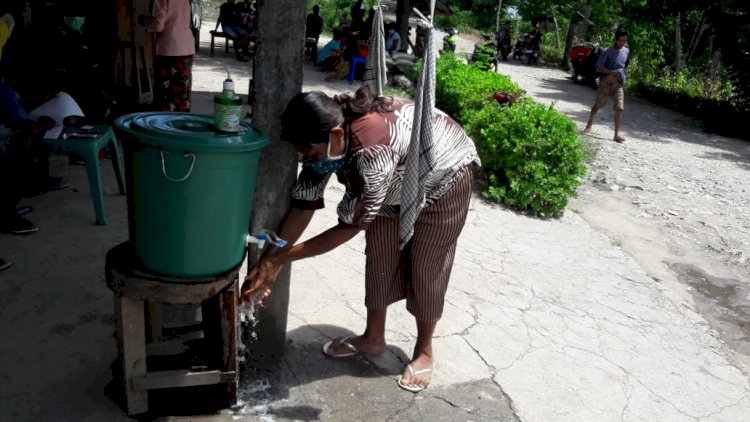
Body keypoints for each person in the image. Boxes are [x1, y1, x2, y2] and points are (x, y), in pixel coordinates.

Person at [241, 86, 481, 393]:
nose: (310, 161)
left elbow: (349, 227)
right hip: (397, 179)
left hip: (443, 178)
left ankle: (424, 350)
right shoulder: (328, 134)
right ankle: (373, 338)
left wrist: (280, 259)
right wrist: (268, 262)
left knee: (426, 266)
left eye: (311, 153)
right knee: (380, 257)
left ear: (337, 136)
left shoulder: (371, 153)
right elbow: (302, 207)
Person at [145, 0, 196, 112]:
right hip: (187, 47)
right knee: (182, 93)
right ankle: (180, 124)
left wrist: (145, 23)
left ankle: (163, 126)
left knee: (164, 95)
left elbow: (158, 25)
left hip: (169, 49)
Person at [584, 29, 629, 143]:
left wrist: (622, 74)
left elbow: (624, 65)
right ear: (615, 40)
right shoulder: (607, 51)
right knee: (599, 104)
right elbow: (598, 67)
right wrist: (612, 72)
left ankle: (616, 134)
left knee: (620, 107)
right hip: (606, 81)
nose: (622, 43)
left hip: (618, 84)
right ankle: (589, 123)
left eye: (624, 41)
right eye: (620, 40)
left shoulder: (626, 51)